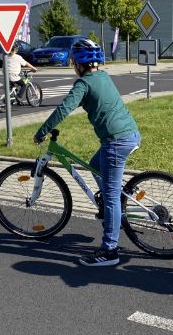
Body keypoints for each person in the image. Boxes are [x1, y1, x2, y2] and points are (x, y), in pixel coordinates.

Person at [33, 39, 140, 267]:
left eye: (73, 62)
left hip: (116, 142)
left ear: (78, 64)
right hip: (130, 133)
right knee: (95, 165)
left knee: (110, 197)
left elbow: (63, 109)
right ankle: (114, 203)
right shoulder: (103, 76)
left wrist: (42, 131)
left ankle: (110, 251)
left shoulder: (83, 84)